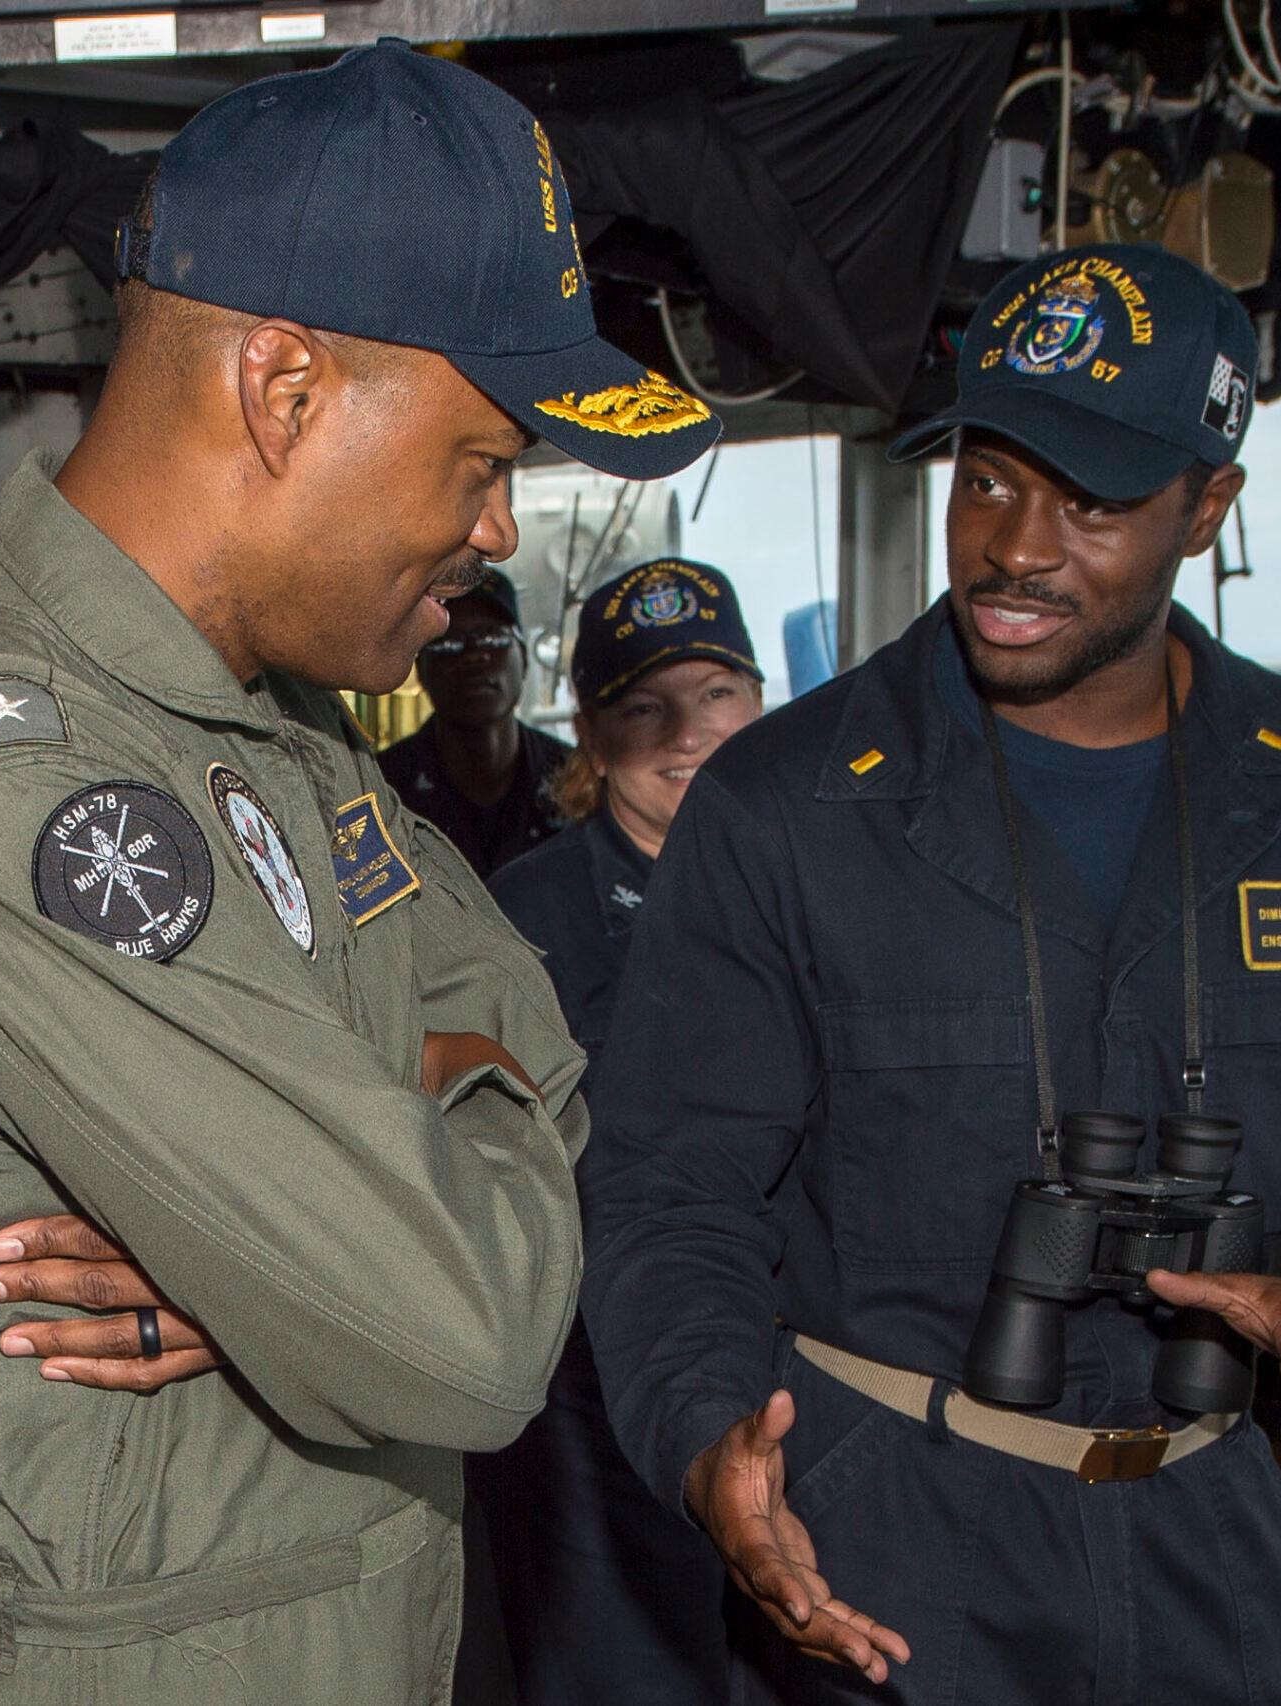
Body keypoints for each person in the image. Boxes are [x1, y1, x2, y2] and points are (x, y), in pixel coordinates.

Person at [0, 43, 718, 1705]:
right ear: (285, 390)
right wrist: (365, 1227)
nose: (495, 534)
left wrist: (304, 1237)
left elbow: (524, 1022)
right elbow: (463, 1334)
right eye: (483, 459)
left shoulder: (277, 720)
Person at [578, 243, 1281, 1703]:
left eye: (1089, 501)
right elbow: (670, 1182)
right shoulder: (790, 805)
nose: (1016, 547)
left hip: (1213, 1529)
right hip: (886, 1541)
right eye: (987, 480)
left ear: (1209, 506)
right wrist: (711, 1433)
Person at [478, 556, 767, 1705]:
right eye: (641, 705)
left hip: (792, 1378)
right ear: (589, 736)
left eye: (713, 693)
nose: (683, 733)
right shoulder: (525, 913)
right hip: (594, 1401)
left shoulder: (821, 884)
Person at [379, 567, 572, 878]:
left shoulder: (575, 776)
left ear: (522, 657)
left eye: (490, 638)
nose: (472, 656)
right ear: (421, 669)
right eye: (448, 643)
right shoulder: (383, 788)